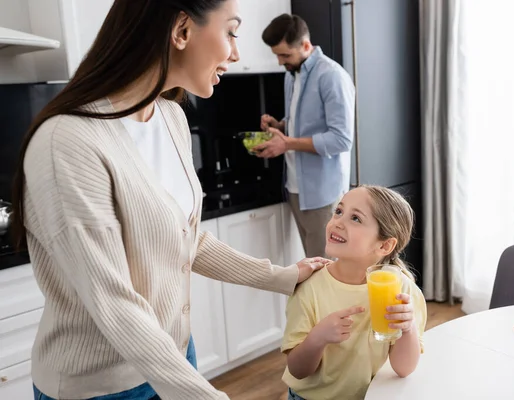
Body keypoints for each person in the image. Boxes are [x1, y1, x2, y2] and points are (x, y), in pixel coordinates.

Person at [11, 1, 327, 399]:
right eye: (230, 31)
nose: (236, 52)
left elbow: (184, 237)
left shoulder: (169, 117)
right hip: (104, 387)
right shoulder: (69, 142)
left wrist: (281, 277)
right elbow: (112, 301)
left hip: (174, 356)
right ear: (181, 30)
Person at [281, 185, 428, 400]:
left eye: (356, 218)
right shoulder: (309, 286)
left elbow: (404, 369)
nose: (338, 222)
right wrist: (317, 338)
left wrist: (408, 328)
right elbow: (297, 369)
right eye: (339, 211)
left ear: (385, 245)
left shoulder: (401, 289)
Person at [256, 14, 355, 259]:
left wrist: (287, 143)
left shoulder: (331, 76)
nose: (280, 62)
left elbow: (341, 139)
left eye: (285, 55)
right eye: (277, 55)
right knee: (312, 270)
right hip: (296, 190)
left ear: (306, 46)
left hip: (323, 195)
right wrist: (279, 125)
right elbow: (305, 124)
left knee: (326, 273)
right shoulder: (292, 75)